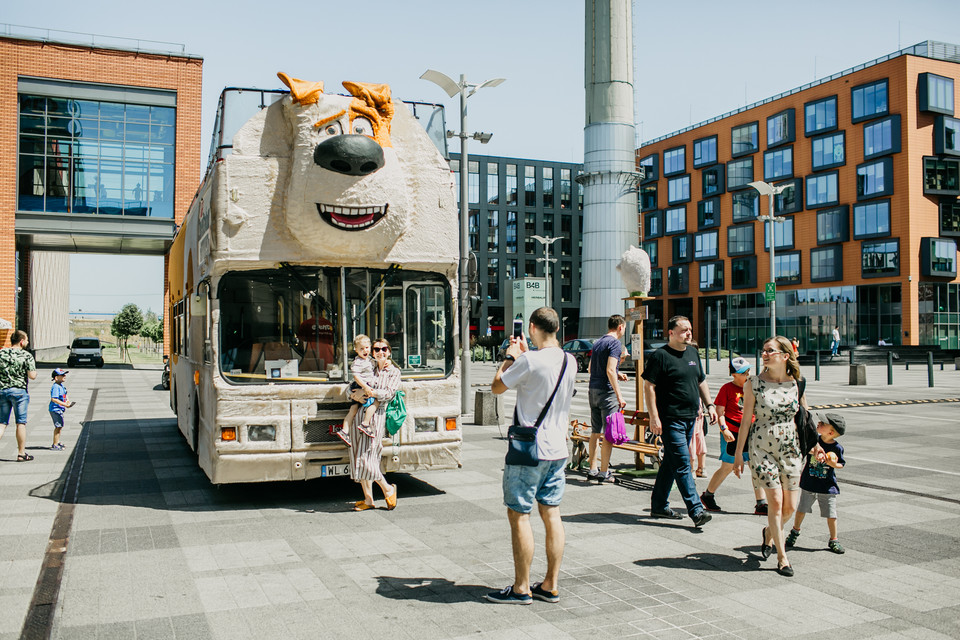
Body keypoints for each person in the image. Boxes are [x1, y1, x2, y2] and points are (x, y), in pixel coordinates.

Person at [487, 307, 576, 605]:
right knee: (551, 513)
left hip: (529, 450)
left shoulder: (528, 360)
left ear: (533, 327)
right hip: (558, 450)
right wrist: (526, 355)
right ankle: (551, 583)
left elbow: (497, 387)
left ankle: (521, 587)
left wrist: (511, 356)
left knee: (519, 515)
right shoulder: (570, 360)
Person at [733, 335, 822, 577]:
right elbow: (745, 422)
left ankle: (768, 533)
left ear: (784, 356)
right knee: (775, 502)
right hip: (761, 447)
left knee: (790, 508)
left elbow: (805, 418)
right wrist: (740, 455)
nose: (764, 354)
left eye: (770, 350)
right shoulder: (753, 383)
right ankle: (782, 558)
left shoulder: (797, 382)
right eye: (763, 350)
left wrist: (815, 445)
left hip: (791, 448)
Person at [642, 316, 716, 529]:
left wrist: (709, 404)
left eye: (690, 330)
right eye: (683, 330)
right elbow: (649, 386)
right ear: (671, 333)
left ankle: (658, 505)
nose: (689, 333)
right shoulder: (660, 356)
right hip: (670, 419)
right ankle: (696, 510)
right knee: (683, 463)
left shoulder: (692, 352)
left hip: (691, 418)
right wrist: (654, 416)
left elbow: (701, 380)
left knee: (671, 463)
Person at [700, 358, 768, 515]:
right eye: (744, 373)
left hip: (750, 433)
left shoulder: (751, 387)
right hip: (732, 433)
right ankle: (708, 495)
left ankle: (761, 503)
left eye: (748, 371)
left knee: (755, 466)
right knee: (727, 467)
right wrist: (724, 429)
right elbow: (720, 412)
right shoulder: (727, 388)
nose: (748, 374)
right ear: (734, 374)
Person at [347, 338, 400, 511]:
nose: (380, 352)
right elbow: (351, 386)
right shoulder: (368, 366)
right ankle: (368, 499)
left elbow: (389, 393)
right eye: (376, 349)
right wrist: (353, 394)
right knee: (358, 454)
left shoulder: (393, 372)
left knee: (368, 457)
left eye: (384, 349)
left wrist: (370, 392)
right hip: (359, 416)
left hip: (376, 418)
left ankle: (388, 489)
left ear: (389, 351)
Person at [786, 413, 847, 554]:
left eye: (823, 424)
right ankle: (795, 532)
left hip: (827, 487)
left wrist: (833, 463)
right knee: (801, 510)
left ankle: (834, 539)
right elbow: (804, 449)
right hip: (809, 483)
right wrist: (814, 451)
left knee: (831, 514)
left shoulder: (837, 448)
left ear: (831, 432)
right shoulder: (814, 441)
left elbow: (841, 464)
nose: (819, 423)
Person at [586, 314, 627, 483]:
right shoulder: (615, 344)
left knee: (595, 432)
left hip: (593, 390)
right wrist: (619, 396)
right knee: (609, 433)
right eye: (624, 328)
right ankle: (604, 472)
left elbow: (590, 368)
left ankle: (592, 469)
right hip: (606, 392)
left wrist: (617, 373)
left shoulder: (598, 343)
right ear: (620, 327)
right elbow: (610, 370)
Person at [0, 330, 38, 461]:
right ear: (21, 341)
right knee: (20, 423)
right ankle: (21, 453)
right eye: (27, 340)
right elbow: (32, 376)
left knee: (2, 423)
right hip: (19, 393)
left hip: (2, 391)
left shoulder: (1, 353)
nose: (27, 342)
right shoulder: (26, 356)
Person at [334, 335, 378, 445]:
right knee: (374, 404)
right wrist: (366, 387)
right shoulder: (357, 362)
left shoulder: (369, 360)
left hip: (363, 386)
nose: (365, 351)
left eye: (367, 348)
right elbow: (356, 377)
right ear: (356, 350)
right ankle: (365, 424)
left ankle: (345, 431)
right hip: (360, 386)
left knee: (353, 410)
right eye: (361, 349)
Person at [49, 368, 75, 450]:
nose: (65, 376)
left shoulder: (61, 386)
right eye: (62, 375)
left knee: (60, 426)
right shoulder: (56, 387)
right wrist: (64, 404)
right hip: (55, 409)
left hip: (59, 409)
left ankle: (57, 441)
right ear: (56, 378)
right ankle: (55, 444)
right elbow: (54, 399)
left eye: (65, 374)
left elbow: (65, 394)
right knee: (58, 426)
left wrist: (67, 401)